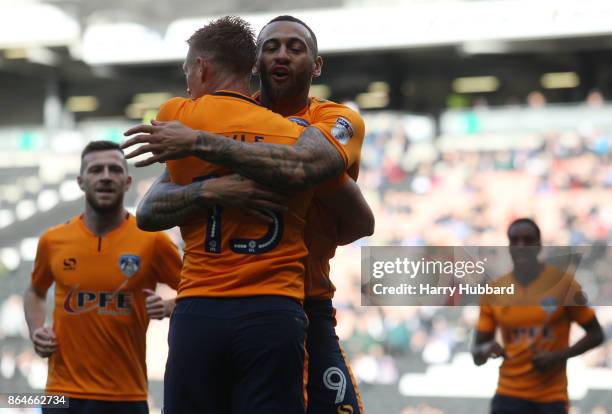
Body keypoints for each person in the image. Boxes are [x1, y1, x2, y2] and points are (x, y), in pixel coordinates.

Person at [122, 15, 372, 414]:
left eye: (295, 47)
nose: (282, 55)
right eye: (270, 46)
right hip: (267, 306)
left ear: (317, 65)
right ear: (254, 63)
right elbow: (150, 208)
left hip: (307, 300)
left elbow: (350, 208)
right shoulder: (233, 118)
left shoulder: (332, 121)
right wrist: (211, 190)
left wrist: (202, 143)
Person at [23, 141, 181, 414]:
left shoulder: (152, 241)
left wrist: (168, 307)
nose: (106, 176)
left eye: (114, 170)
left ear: (128, 181)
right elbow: (35, 291)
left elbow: (201, 291)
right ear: (81, 181)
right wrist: (36, 330)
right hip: (62, 395)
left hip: (126, 396)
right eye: (96, 170)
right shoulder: (53, 240)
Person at [472, 218, 605, 414]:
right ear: (508, 246)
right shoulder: (495, 291)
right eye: (515, 240)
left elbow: (596, 334)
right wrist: (487, 349)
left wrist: (558, 356)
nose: (521, 246)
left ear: (539, 245)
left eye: (528, 240)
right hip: (509, 394)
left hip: (550, 397)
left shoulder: (564, 285)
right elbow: (476, 354)